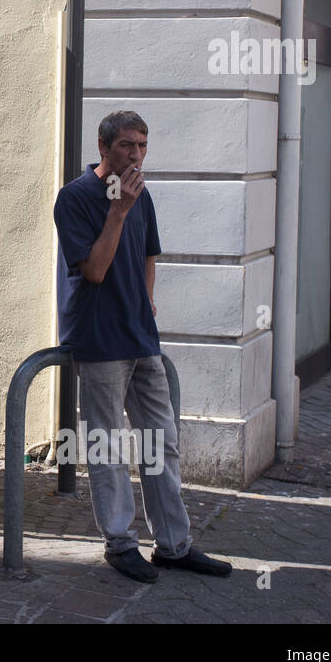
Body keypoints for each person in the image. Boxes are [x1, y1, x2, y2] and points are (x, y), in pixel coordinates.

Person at [53, 110, 232, 583]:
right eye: (126, 146)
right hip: (98, 339)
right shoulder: (74, 199)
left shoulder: (143, 195)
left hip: (140, 338)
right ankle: (119, 542)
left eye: (142, 146)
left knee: (163, 443)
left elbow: (150, 252)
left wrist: (148, 297)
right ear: (103, 146)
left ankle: (174, 546)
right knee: (108, 446)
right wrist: (118, 209)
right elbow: (93, 270)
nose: (135, 155)